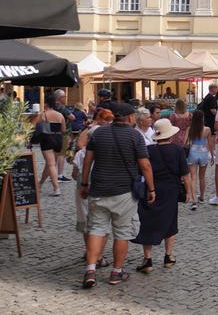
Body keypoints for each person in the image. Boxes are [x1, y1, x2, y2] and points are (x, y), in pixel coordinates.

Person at [80, 103, 155, 288]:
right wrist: (152, 189)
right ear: (130, 118)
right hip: (124, 192)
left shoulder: (98, 133)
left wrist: (84, 184)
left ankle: (90, 270)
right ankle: (116, 272)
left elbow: (87, 160)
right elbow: (145, 165)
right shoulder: (134, 136)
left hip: (98, 189)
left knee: (96, 229)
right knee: (121, 233)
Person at [133, 118, 190, 274]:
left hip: (152, 189)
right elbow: (185, 175)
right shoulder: (178, 150)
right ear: (170, 135)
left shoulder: (149, 150)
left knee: (147, 222)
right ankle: (168, 256)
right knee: (171, 222)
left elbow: (142, 170)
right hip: (171, 190)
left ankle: (148, 259)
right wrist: (190, 193)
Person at [72, 108, 115, 269]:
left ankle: (89, 252)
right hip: (101, 186)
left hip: (82, 187)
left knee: (85, 220)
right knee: (101, 221)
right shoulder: (106, 152)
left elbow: (74, 173)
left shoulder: (81, 153)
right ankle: (99, 256)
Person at [33, 95, 65, 196]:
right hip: (58, 139)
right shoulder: (60, 115)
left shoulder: (43, 114)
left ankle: (56, 188)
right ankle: (40, 184)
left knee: (51, 164)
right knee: (50, 164)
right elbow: (63, 130)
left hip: (46, 139)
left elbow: (32, 126)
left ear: (46, 104)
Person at [186, 110, 214, 210]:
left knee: (193, 177)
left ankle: (194, 200)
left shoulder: (190, 129)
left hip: (193, 152)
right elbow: (210, 144)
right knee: (202, 177)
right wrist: (212, 155)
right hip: (203, 153)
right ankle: (201, 197)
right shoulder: (207, 129)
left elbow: (186, 143)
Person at [53, 89, 75, 182]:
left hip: (53, 132)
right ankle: (60, 175)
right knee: (61, 154)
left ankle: (53, 174)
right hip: (63, 133)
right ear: (60, 98)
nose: (65, 98)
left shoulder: (52, 106)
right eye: (64, 96)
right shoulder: (62, 108)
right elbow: (72, 117)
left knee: (54, 155)